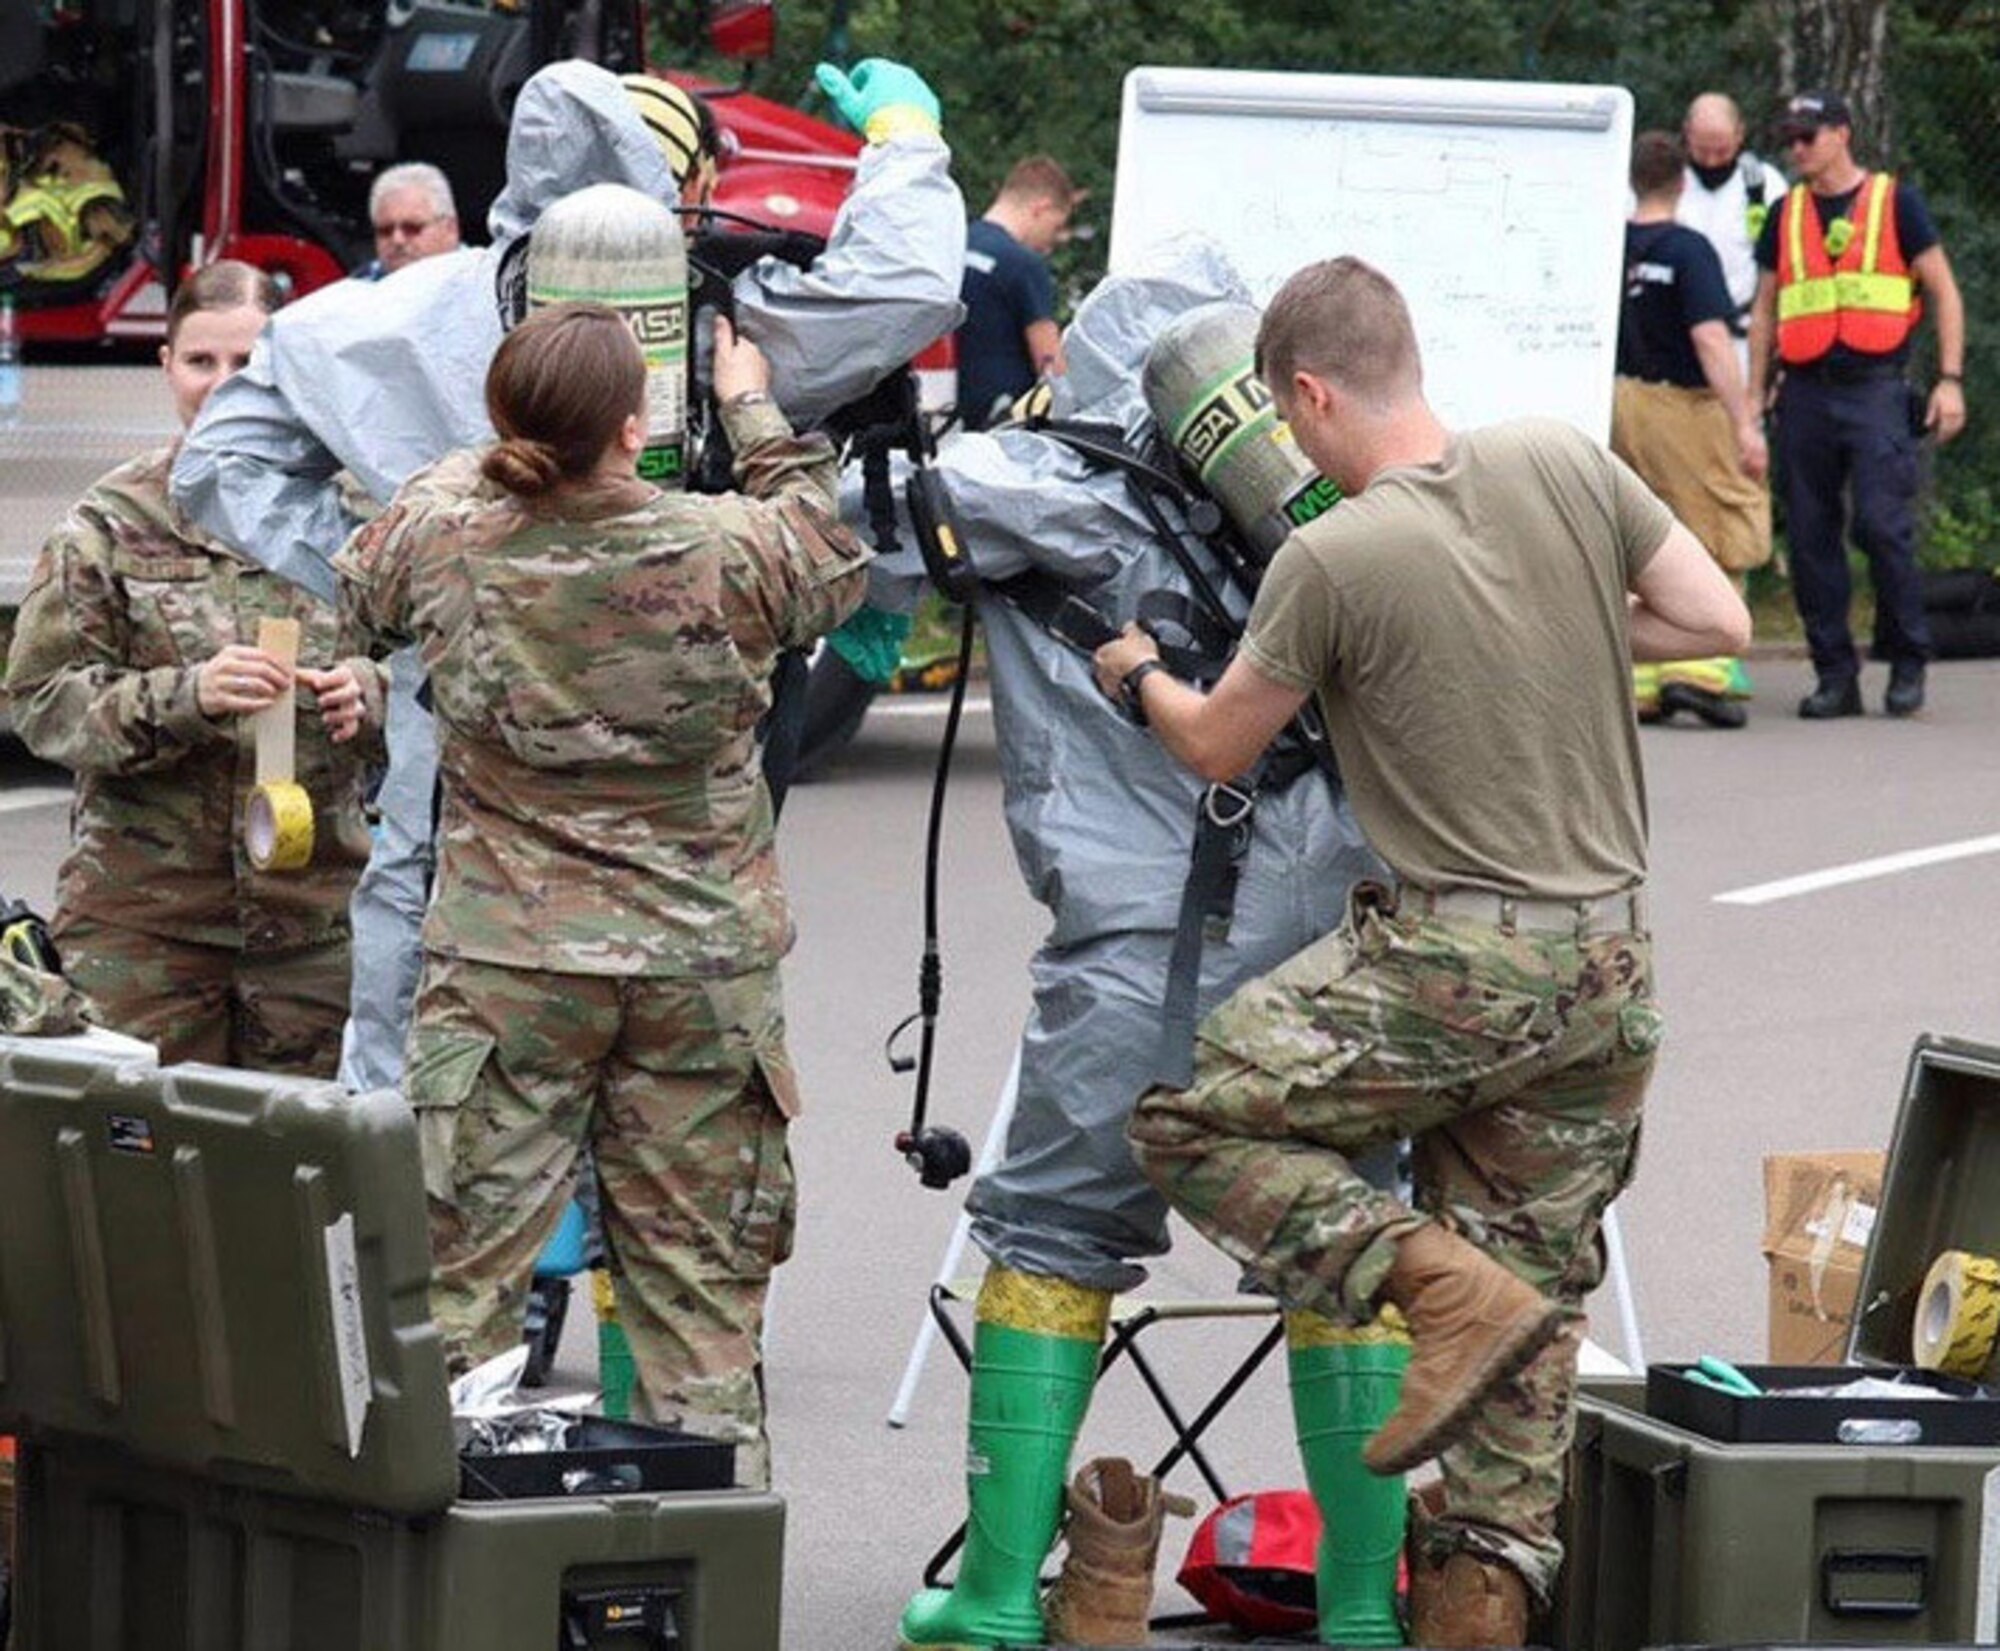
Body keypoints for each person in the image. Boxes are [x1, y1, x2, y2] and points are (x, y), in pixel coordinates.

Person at [1094, 256, 1749, 1648]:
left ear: (1314, 395)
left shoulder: (1332, 556)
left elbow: (1217, 742)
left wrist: (1137, 672)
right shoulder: (1560, 461)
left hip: (1459, 969)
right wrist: (1550, 632)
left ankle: (1438, 1283)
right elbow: (1719, 619)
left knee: (1189, 1119)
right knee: (1516, 1398)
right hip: (1609, 982)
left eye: (1288, 417)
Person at [171, 58, 966, 1093]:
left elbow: (219, 463)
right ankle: (610, 1221)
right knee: (673, 1017)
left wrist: (404, 583)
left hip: (462, 720)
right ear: (680, 189)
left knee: (429, 948)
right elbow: (907, 285)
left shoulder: (387, 322)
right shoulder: (725, 322)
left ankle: (410, 1213)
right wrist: (903, 136)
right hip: (690, 735)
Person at [885, 241, 1393, 1651]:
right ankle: (1362, 1606)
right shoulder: (1348, 514)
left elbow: (874, 525)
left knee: (1051, 1230)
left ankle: (996, 1593)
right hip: (1341, 963)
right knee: (1345, 1247)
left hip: (1131, 964)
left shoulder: (1021, 489)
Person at [334, 302, 871, 1488]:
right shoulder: (729, 544)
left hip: (507, 969)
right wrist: (750, 406)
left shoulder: (445, 536)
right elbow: (836, 565)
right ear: (639, 424)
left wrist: (495, 448)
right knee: (700, 1307)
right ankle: (704, 1577)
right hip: (697, 971)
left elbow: (358, 588)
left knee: (459, 1291)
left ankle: (463, 1581)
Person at [3, 260, 384, 1073]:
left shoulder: (350, 516)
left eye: (247, 364)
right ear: (166, 365)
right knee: (131, 1169)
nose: (221, 386)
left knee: (302, 1174)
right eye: (201, 361)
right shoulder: (110, 522)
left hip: (310, 932)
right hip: (147, 927)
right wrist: (188, 696)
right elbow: (41, 701)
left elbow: (435, 672)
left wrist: (372, 695)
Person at [1747, 89, 1968, 720]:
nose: (1796, 148)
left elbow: (1945, 292)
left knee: (1880, 525)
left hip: (1874, 388)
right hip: (1806, 391)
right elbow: (1764, 310)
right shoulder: (1786, 214)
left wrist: (1950, 379)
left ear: (1842, 134)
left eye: (1807, 136)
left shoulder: (1896, 202)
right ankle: (1834, 676)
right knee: (1813, 536)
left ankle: (1906, 658)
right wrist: (1751, 401)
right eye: (1789, 137)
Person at [1615, 129, 1771, 729]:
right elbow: (1710, 339)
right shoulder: (1687, 249)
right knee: (1719, 519)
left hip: (1621, 402)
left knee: (1640, 534)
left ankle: (1640, 677)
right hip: (1684, 405)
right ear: (1682, 182)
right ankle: (1701, 670)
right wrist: (1743, 423)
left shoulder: (1613, 246)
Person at [957, 154, 1078, 431]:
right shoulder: (1023, 264)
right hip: (1002, 427)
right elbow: (1050, 367)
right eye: (1056, 226)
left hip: (945, 417)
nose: (1051, 243)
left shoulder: (956, 244)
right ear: (1040, 208)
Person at [1678, 93, 1776, 374]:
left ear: (1740, 135)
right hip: (1674, 338)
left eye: (1721, 151)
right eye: (1701, 150)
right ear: (1687, 134)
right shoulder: (1665, 179)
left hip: (1740, 342)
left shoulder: (1765, 184)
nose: (1710, 162)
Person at [357, 161, 461, 279]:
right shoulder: (360, 289)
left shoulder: (481, 284)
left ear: (450, 229)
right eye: (385, 231)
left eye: (412, 228)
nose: (397, 240)